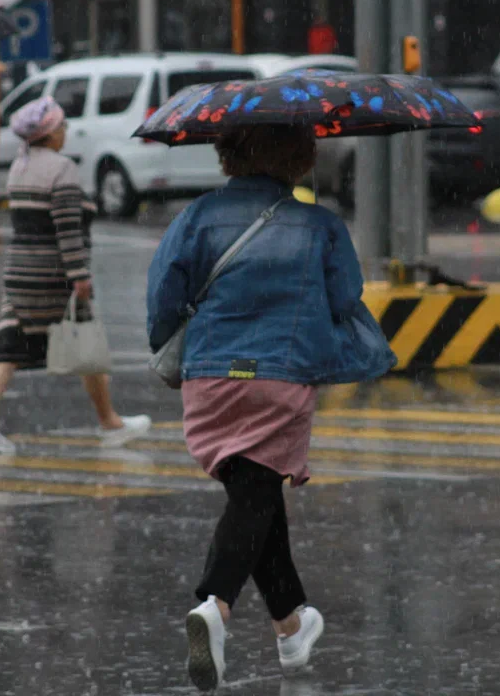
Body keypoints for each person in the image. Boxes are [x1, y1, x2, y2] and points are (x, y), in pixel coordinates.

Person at [146, 124, 394, 691]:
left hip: (210, 373)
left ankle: (291, 622)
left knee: (253, 491)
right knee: (257, 490)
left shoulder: (197, 217)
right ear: (300, 158)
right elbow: (344, 298)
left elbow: (164, 294)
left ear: (228, 155)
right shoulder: (320, 225)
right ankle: (217, 604)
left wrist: (170, 342)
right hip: (280, 375)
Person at [0, 96, 151, 455]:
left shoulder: (20, 165)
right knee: (86, 345)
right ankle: (110, 421)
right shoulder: (62, 168)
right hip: (53, 276)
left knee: (8, 349)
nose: (66, 132)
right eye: (62, 126)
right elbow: (67, 228)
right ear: (49, 133)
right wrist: (79, 274)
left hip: (19, 275)